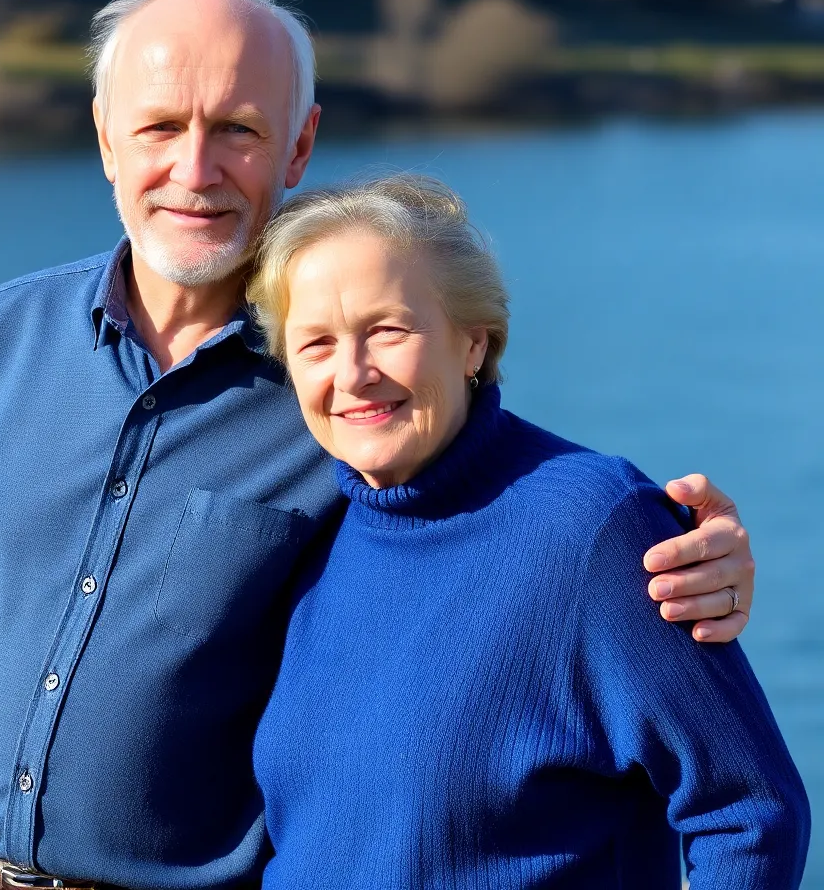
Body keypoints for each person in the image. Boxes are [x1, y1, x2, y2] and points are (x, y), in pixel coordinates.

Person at [0, 0, 757, 890]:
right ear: (106, 140)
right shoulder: (3, 332)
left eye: (239, 131)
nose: (195, 170)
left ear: (299, 147)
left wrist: (684, 556)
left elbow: (517, 521)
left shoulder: (344, 395)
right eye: (160, 127)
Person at [248, 175, 810, 889]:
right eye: (317, 344)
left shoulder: (592, 525)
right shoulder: (315, 532)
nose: (353, 373)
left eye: (387, 329)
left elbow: (750, 813)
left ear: (473, 341)